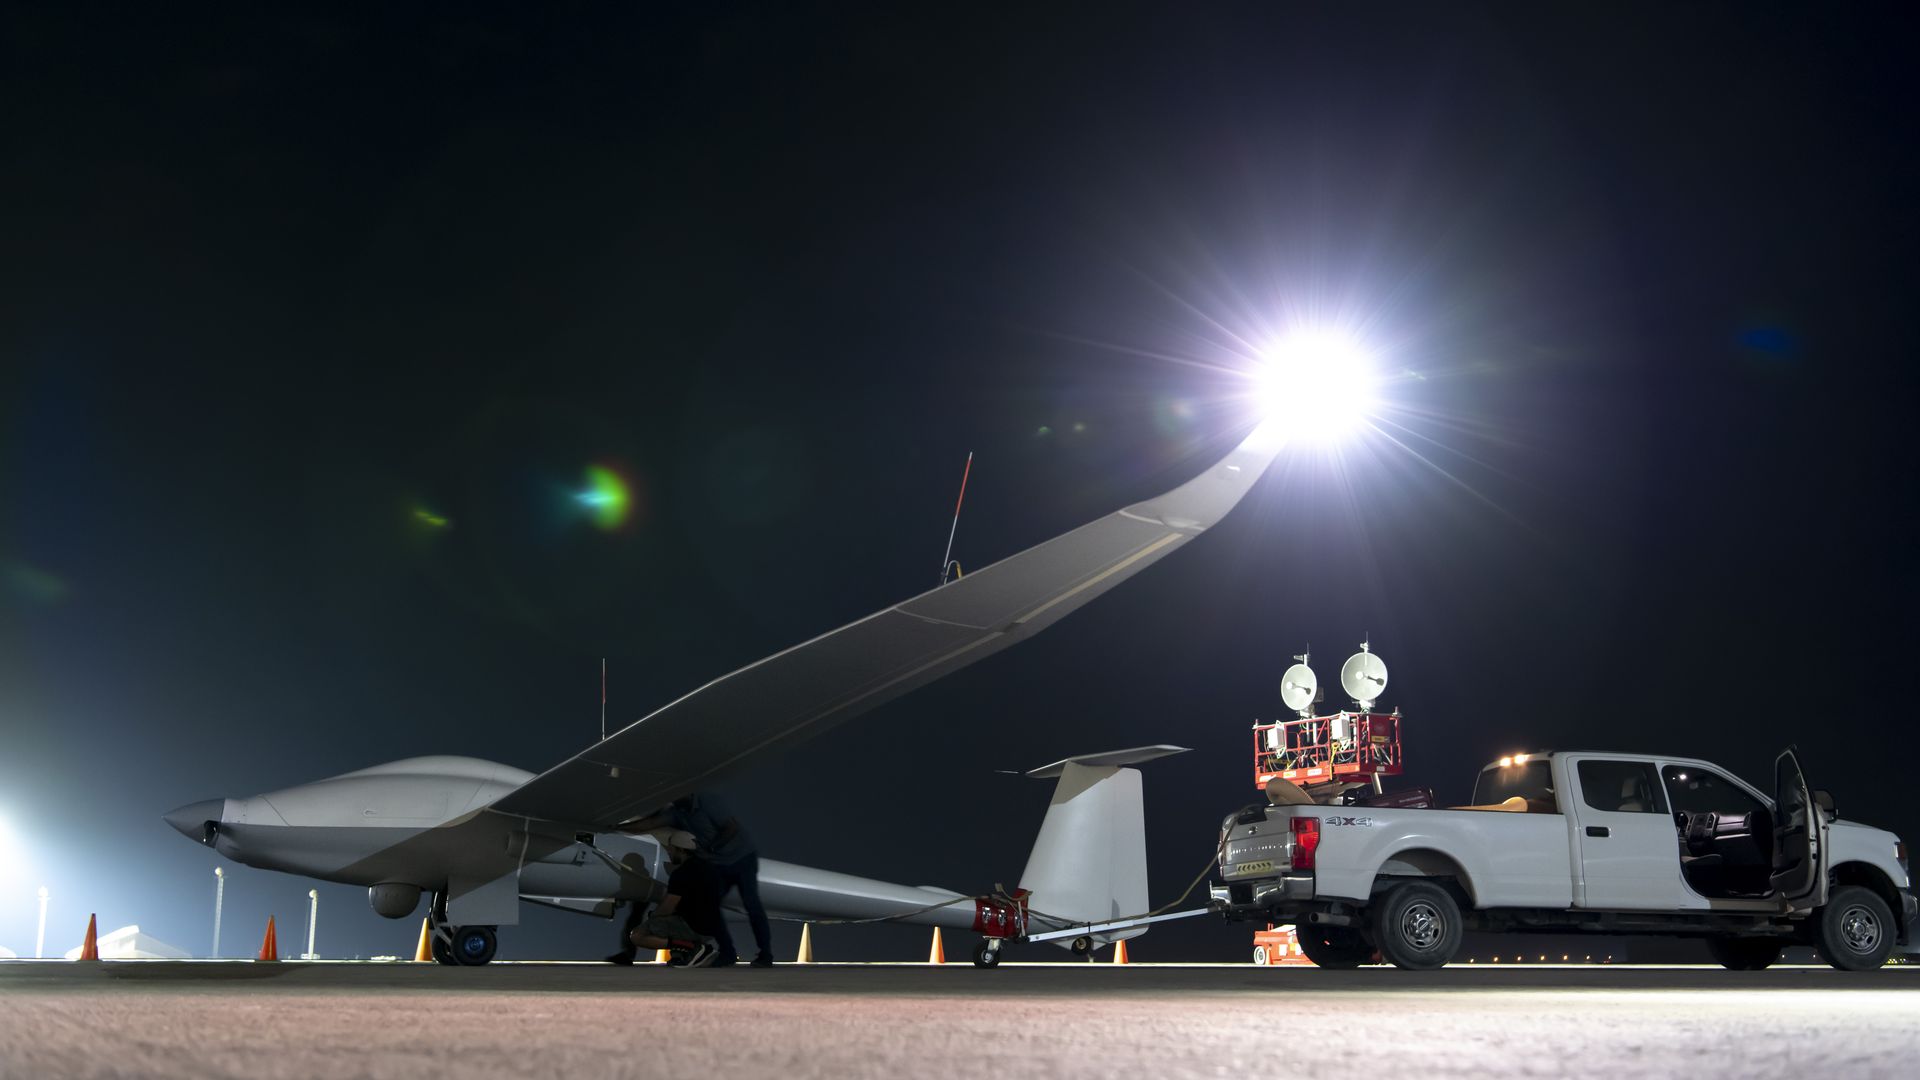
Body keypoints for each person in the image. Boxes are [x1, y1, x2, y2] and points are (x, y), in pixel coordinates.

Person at [618, 792, 773, 967]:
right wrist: (615, 827)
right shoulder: (676, 812)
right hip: (716, 865)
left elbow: (731, 827)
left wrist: (709, 849)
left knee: (752, 905)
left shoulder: (708, 802)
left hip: (742, 859)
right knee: (711, 908)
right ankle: (726, 952)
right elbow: (650, 823)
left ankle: (765, 954)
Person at [619, 830, 722, 968]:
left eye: (671, 849)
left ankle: (693, 948)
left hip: (693, 927)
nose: (669, 853)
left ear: (681, 850)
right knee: (671, 921)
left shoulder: (681, 873)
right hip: (712, 927)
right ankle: (683, 954)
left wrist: (653, 916)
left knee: (637, 935)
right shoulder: (708, 868)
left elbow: (668, 907)